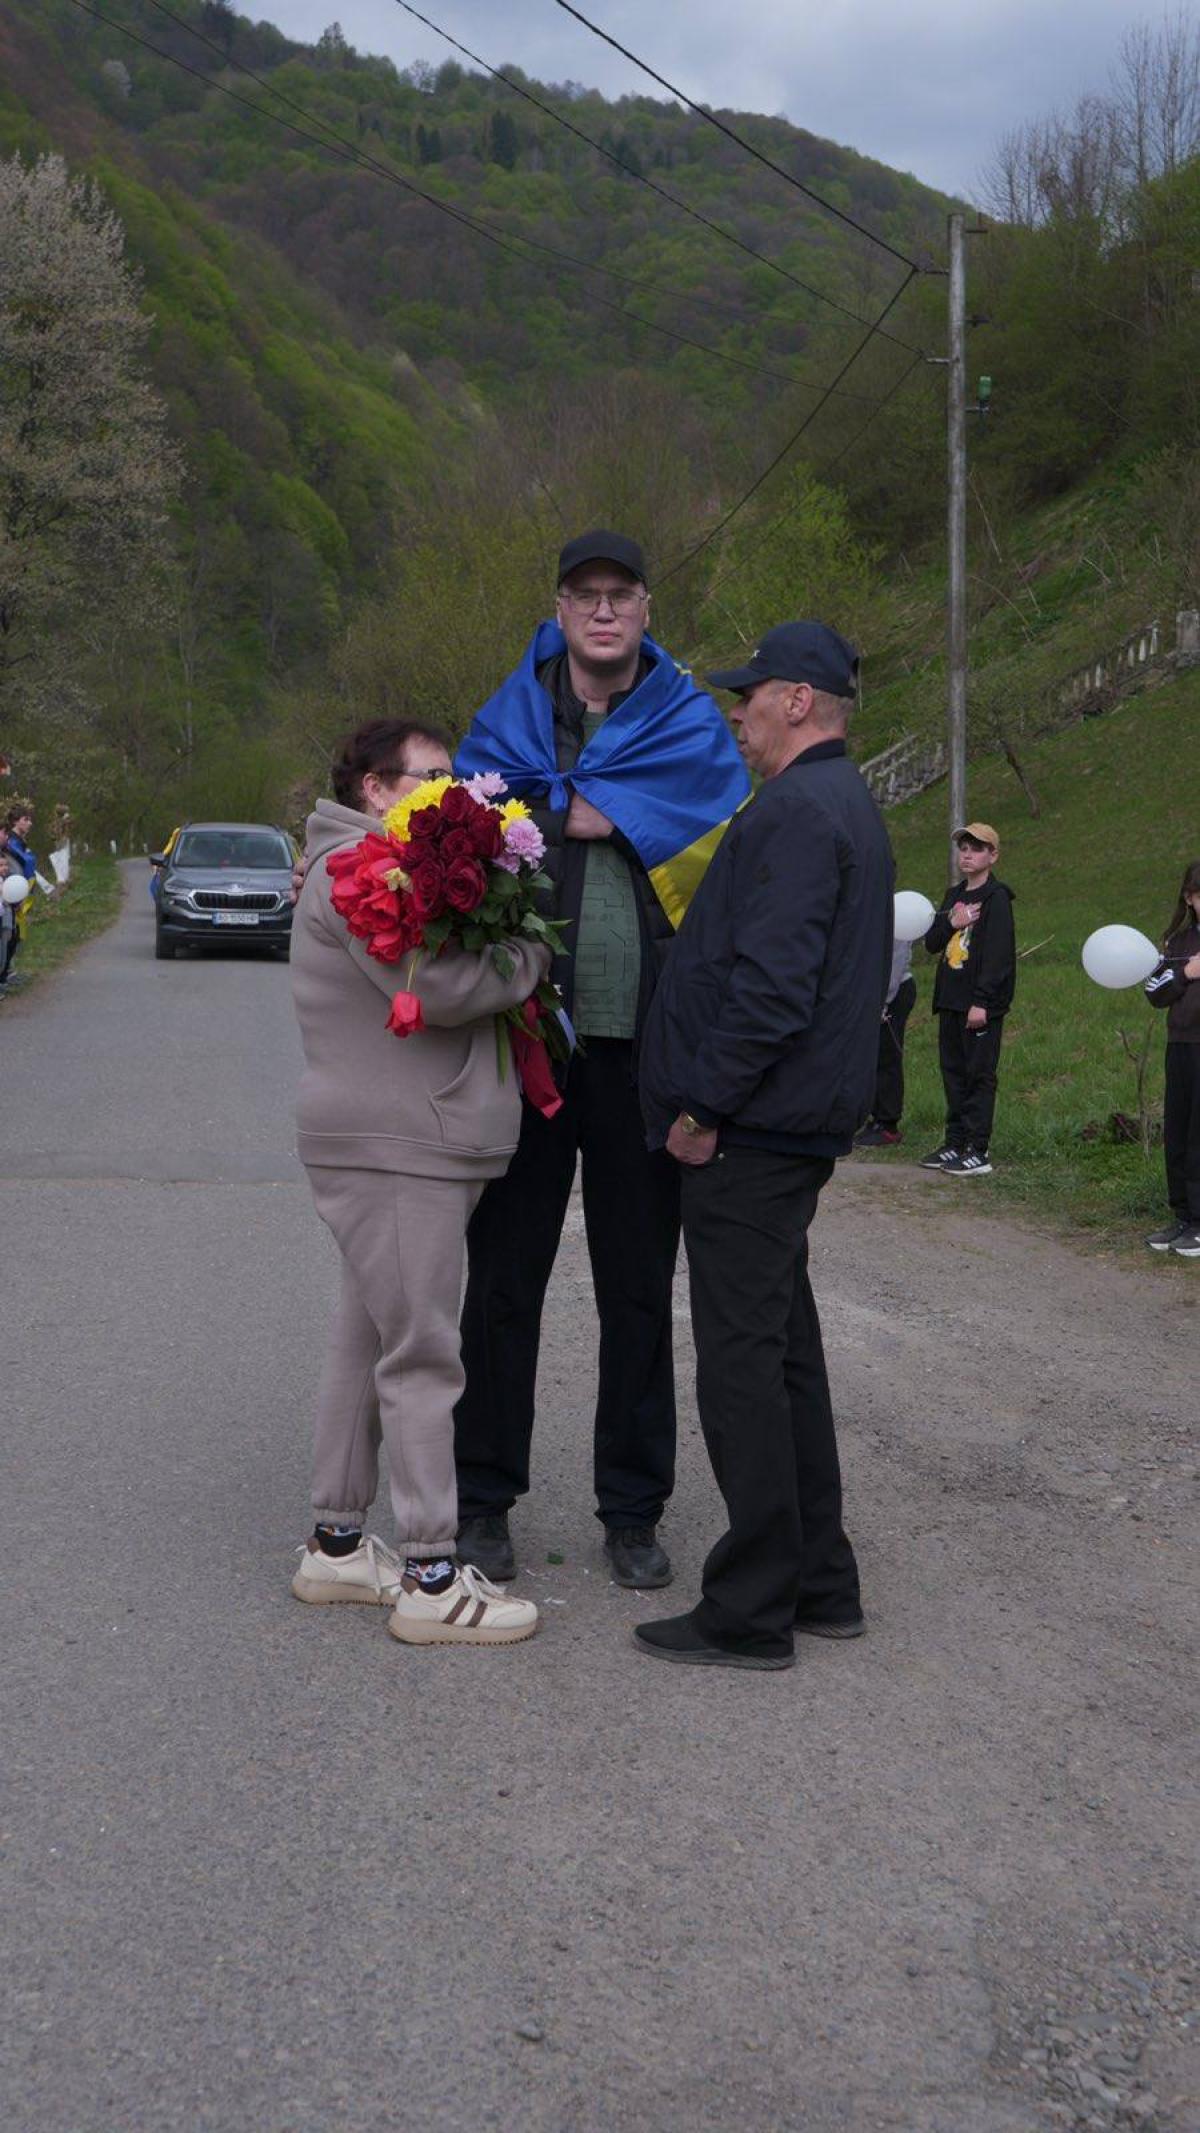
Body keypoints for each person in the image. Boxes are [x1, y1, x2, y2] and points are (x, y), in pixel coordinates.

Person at [451, 530, 750, 1590]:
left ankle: (632, 1509)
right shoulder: (509, 723)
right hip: (528, 1046)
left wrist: (612, 812)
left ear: (647, 608)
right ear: (561, 610)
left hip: (645, 1054)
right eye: (587, 595)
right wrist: (557, 811)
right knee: (503, 1281)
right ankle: (483, 1497)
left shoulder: (688, 725)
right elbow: (461, 836)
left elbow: (725, 853)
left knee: (638, 1289)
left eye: (622, 593)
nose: (605, 610)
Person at [635, 621, 894, 1670]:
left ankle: (749, 1609)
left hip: (752, 1132)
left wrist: (701, 1109)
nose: (736, 713)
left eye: (749, 696)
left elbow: (773, 990)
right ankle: (820, 1580)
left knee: (741, 1365)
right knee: (784, 1354)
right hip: (786, 1128)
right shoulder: (839, 801)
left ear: (797, 700)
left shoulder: (796, 809)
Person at [289, 717, 550, 1647]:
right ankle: (432, 1574)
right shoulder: (355, 869)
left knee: (366, 1338)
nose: (449, 791)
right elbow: (433, 988)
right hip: (396, 1144)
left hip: (397, 1139)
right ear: (374, 786)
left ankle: (336, 1545)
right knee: (423, 1354)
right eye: (431, 776)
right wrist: (529, 955)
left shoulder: (361, 861)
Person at [919, 822, 1016, 1178]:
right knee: (954, 1074)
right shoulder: (954, 895)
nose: (967, 855)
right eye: (963, 848)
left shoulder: (996, 898)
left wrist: (983, 1002)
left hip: (978, 1005)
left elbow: (998, 956)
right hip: (950, 1000)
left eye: (976, 848)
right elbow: (932, 943)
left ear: (993, 855)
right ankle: (955, 1142)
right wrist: (953, 923)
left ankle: (978, 1148)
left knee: (978, 1075)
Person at [1144, 858, 1200, 1259]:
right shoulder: (1178, 943)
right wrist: (1187, 974)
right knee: (1178, 1133)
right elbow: (1155, 991)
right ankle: (1183, 1215)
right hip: (1181, 1046)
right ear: (1189, 898)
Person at [854, 935, 916, 1147]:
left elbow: (896, 959)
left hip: (894, 993)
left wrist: (884, 1001)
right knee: (875, 1057)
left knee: (888, 1058)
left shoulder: (898, 921)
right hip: (875, 992)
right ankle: (877, 1118)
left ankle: (889, 1125)